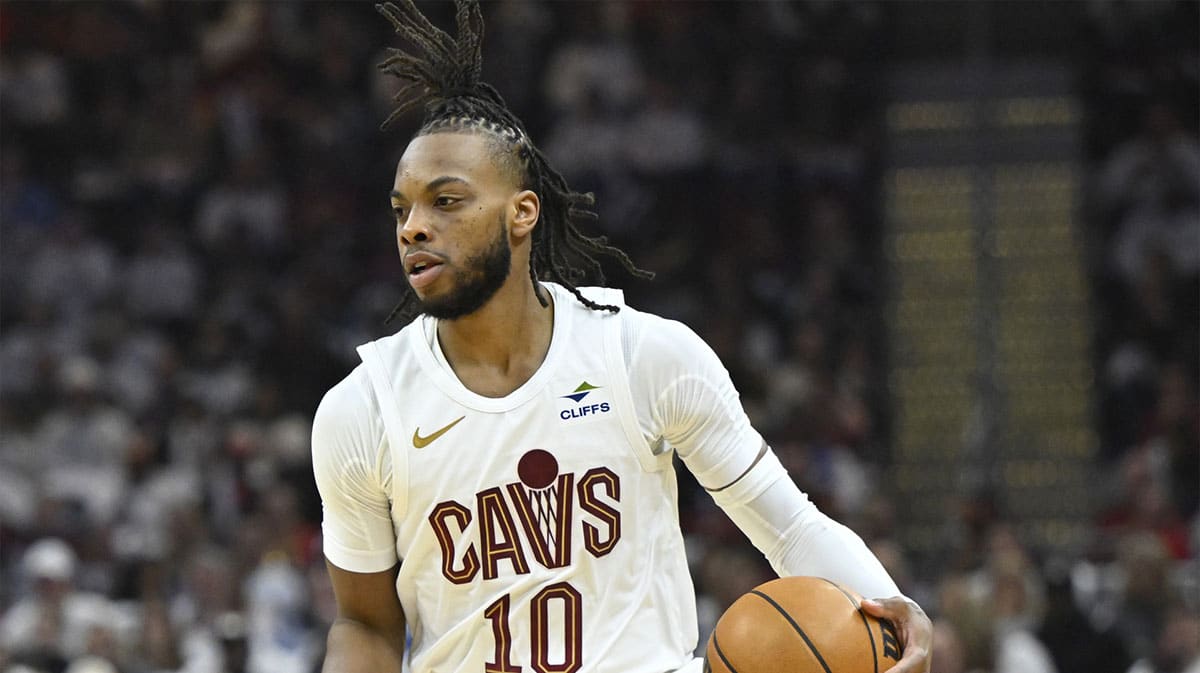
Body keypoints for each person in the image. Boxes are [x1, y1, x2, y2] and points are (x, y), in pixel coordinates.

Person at [310, 2, 933, 672]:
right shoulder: (363, 409)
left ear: (522, 214)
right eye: (402, 209)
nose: (413, 227)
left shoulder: (643, 356)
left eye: (447, 200)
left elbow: (788, 526)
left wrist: (891, 606)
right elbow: (366, 623)